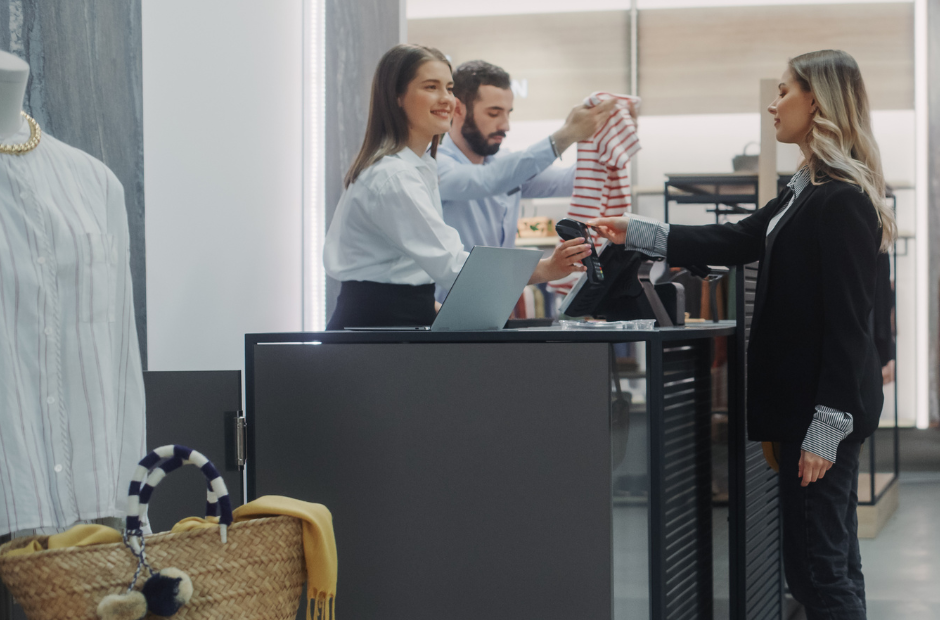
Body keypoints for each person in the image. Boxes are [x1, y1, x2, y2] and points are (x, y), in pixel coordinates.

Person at [590, 49, 891, 620]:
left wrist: (827, 425)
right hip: (803, 412)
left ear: (818, 102)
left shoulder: (841, 200)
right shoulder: (805, 192)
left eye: (784, 92)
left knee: (819, 573)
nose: (774, 105)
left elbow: (851, 324)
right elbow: (735, 241)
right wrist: (638, 231)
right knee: (825, 564)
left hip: (818, 417)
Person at [324, 44, 592, 329]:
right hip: (376, 332)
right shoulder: (395, 177)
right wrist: (546, 269)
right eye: (431, 87)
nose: (446, 99)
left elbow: (406, 282)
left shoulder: (420, 167)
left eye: (449, 88)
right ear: (397, 96)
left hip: (400, 321)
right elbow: (454, 267)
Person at [434, 60, 618, 302]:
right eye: (493, 113)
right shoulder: (436, 166)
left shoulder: (504, 165)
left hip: (496, 305)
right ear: (458, 109)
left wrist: (608, 143)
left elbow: (566, 181)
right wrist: (566, 135)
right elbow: (486, 181)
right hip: (444, 314)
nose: (505, 125)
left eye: (508, 113)